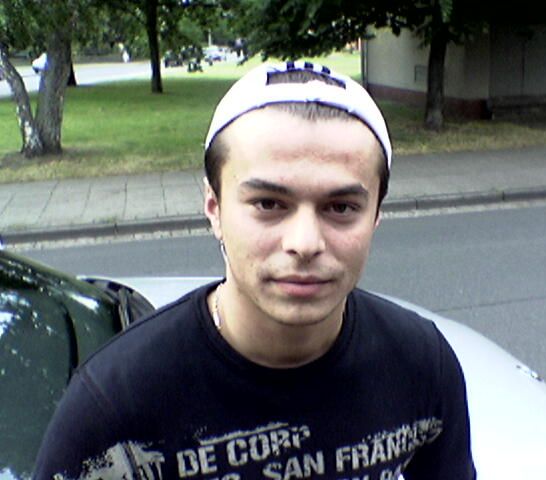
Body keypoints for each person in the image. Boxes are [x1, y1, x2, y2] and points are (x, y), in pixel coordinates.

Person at [34, 61, 476, 480]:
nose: (305, 243)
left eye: (341, 207)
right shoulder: (113, 407)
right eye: (268, 204)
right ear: (214, 207)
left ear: (376, 214)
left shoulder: (422, 365)